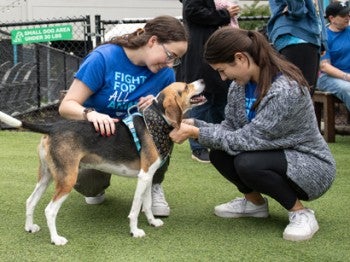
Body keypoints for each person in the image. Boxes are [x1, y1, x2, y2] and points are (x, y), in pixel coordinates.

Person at [169, 27, 336, 241]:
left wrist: (196, 132)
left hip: (310, 166)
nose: (222, 77)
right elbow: (230, 127)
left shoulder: (285, 90)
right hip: (273, 153)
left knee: (248, 162)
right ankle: (255, 204)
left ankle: (300, 213)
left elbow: (247, 140)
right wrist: (193, 123)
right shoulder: (239, 86)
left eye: (222, 70)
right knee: (219, 154)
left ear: (240, 58)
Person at [59, 15, 188, 217]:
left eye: (176, 59)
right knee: (88, 186)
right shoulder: (103, 58)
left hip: (136, 139)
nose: (171, 64)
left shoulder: (165, 75)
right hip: (97, 138)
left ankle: (154, 184)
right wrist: (90, 114)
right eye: (170, 55)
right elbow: (66, 106)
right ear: (153, 41)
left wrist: (153, 108)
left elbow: (168, 120)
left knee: (160, 134)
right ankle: (97, 182)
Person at [177, 0, 240, 163]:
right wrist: (225, 14)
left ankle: (223, 140)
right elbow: (193, 12)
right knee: (202, 99)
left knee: (221, 98)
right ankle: (198, 147)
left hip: (212, 49)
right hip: (201, 51)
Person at [267, 0, 328, 94]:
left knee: (303, 93)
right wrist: (295, 7)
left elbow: (316, 10)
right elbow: (297, 10)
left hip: (309, 36)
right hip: (296, 34)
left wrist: (322, 40)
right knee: (298, 93)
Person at [317, 1, 350, 112]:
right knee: (348, 88)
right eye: (343, 15)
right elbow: (325, 66)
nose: (347, 17)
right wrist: (347, 77)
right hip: (328, 77)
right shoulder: (324, 37)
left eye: (348, 14)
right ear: (332, 18)